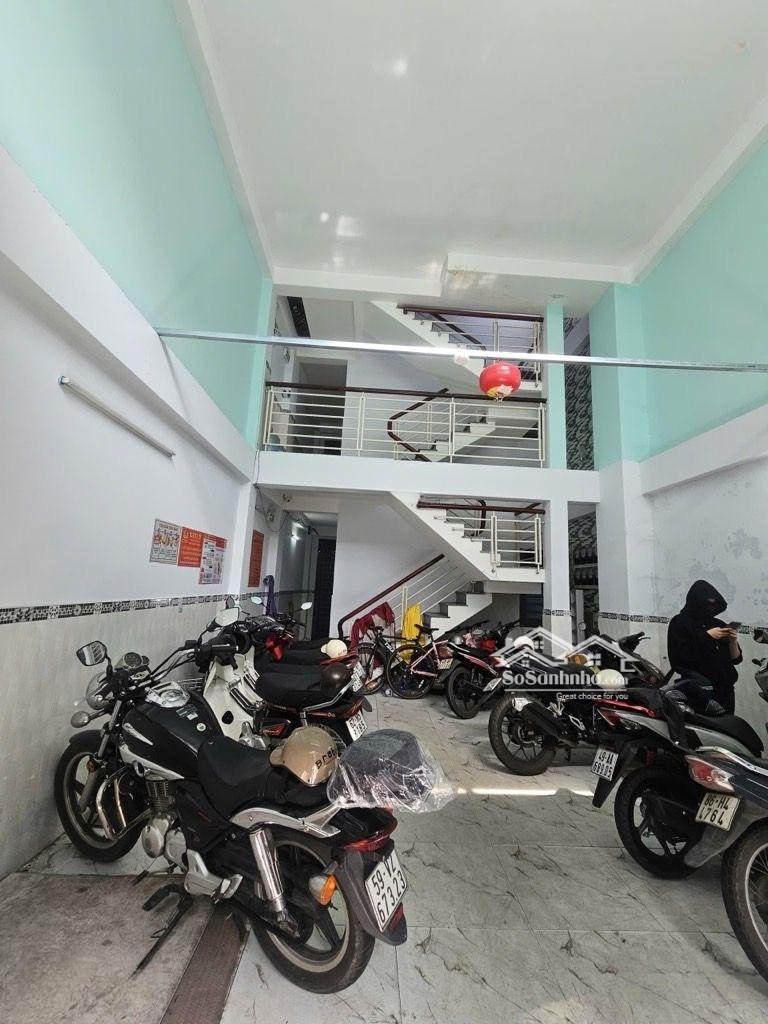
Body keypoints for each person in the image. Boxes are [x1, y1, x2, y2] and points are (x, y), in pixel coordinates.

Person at [667, 580, 742, 714]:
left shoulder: (718, 624)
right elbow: (679, 658)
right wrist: (707, 637)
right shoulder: (680, 623)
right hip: (701, 692)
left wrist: (732, 641)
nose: (710, 608)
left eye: (714, 604)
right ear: (695, 602)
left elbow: (736, 659)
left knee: (727, 725)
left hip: (726, 690)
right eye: (707, 603)